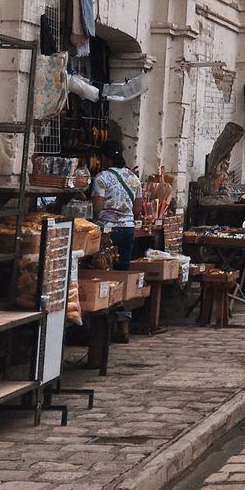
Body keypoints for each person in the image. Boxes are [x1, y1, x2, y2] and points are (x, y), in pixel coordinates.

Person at [91, 141, 141, 341]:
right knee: (122, 274)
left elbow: (97, 208)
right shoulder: (133, 178)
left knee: (102, 273)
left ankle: (100, 326)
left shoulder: (102, 178)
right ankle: (123, 326)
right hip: (128, 229)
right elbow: (137, 210)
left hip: (107, 231)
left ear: (105, 158)